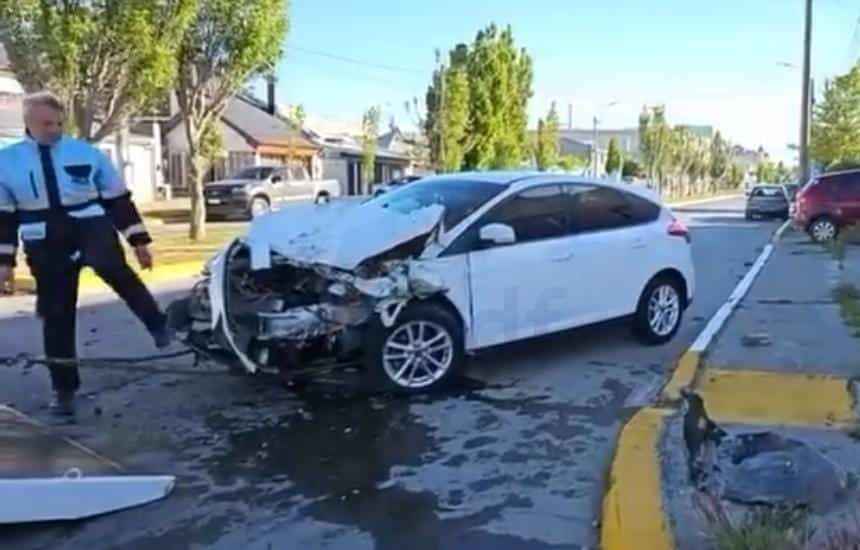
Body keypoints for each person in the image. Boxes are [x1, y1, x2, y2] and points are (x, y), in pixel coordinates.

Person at [0, 91, 173, 416]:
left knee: (120, 274)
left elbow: (117, 199)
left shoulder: (85, 152)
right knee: (56, 315)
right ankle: (64, 390)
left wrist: (139, 241)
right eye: (46, 123)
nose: (54, 129)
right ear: (28, 122)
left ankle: (158, 325)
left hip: (90, 225)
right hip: (45, 239)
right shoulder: (6, 162)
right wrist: (4, 264)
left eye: (59, 123)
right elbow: (3, 219)